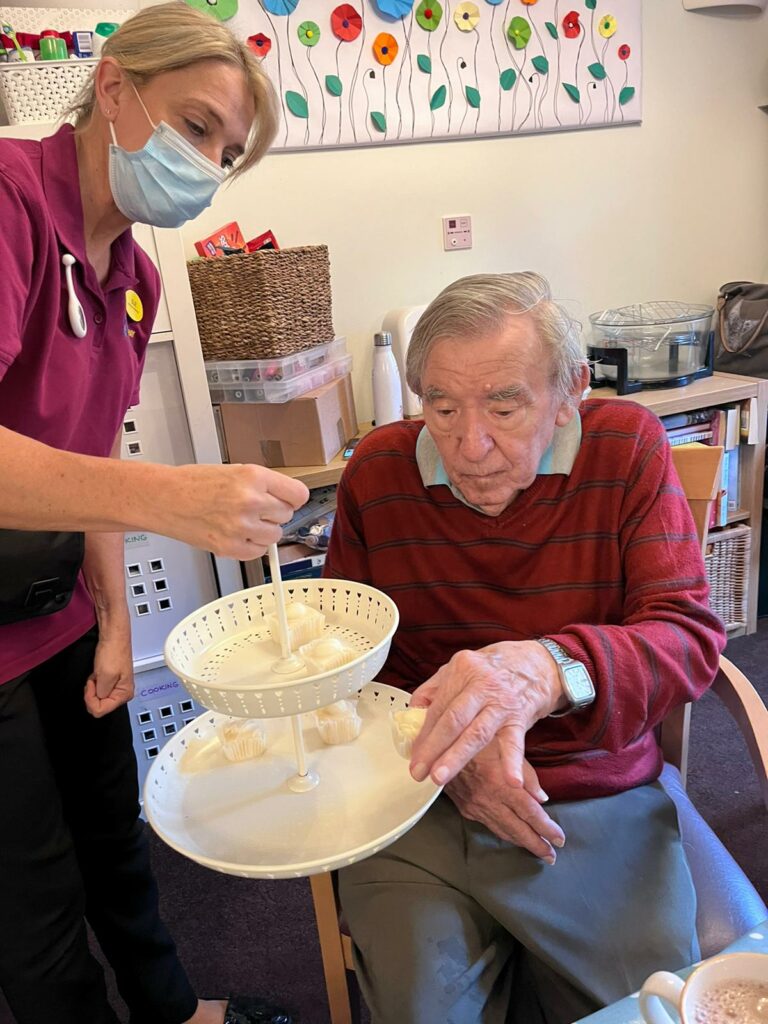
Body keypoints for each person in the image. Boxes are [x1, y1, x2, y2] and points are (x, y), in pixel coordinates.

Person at [0, 5, 308, 1023]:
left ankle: (174, 1010)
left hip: (56, 607)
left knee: (115, 839)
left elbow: (90, 461)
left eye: (225, 152)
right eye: (196, 126)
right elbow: (118, 482)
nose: (205, 165)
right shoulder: (10, 203)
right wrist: (174, 498)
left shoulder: (134, 279)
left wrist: (114, 619)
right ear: (114, 86)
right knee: (34, 897)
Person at [324, 272, 727, 1024]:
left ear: (570, 390)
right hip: (422, 791)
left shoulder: (626, 449)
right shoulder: (377, 472)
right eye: (442, 407)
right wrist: (454, 761)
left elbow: (686, 638)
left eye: (505, 407)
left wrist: (549, 668)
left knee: (643, 1014)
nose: (470, 445)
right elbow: (348, 662)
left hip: (590, 792)